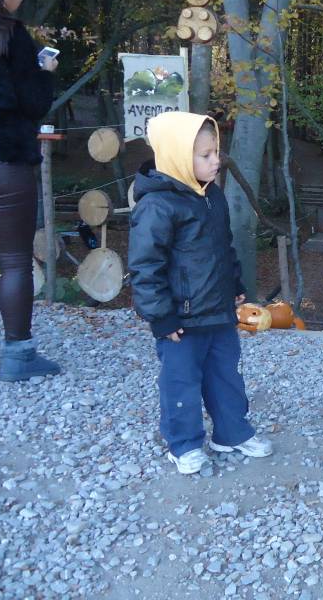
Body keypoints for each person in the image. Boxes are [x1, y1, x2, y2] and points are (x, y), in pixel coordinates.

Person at [128, 111, 273, 474]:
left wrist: (235, 285)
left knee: (226, 375)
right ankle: (184, 444)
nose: (215, 161)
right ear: (178, 156)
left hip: (218, 311)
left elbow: (224, 247)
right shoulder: (157, 205)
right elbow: (145, 267)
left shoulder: (213, 196)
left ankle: (231, 432)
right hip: (182, 319)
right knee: (181, 383)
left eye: (216, 152)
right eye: (205, 155)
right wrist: (161, 317)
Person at [0, 0, 61, 382]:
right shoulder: (13, 37)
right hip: (6, 164)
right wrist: (45, 70)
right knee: (14, 261)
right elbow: (33, 104)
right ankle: (18, 357)